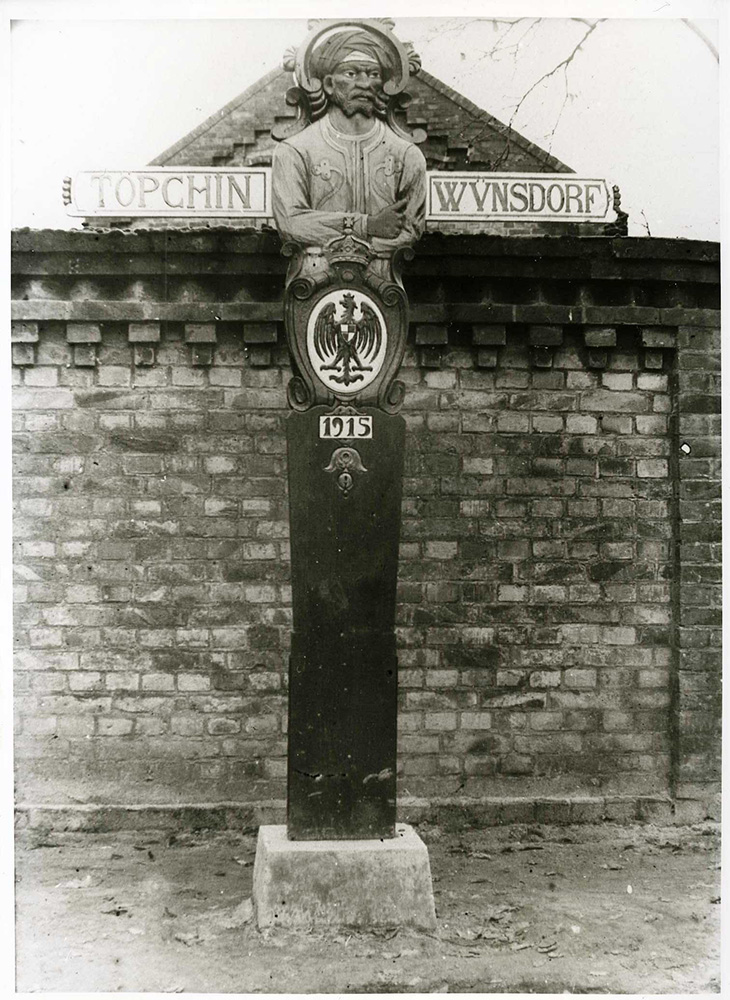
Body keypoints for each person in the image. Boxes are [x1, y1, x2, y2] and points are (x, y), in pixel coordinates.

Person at [272, 28, 427, 256]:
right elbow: (291, 224)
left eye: (373, 74)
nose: (364, 83)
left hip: (384, 283)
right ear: (329, 84)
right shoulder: (294, 151)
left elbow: (409, 231)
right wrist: (366, 225)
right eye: (351, 74)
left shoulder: (407, 156)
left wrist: (351, 246)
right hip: (313, 282)